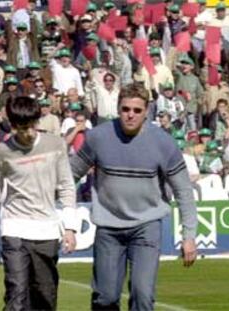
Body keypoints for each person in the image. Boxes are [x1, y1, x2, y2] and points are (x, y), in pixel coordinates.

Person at [70, 84, 197, 310]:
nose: (131, 115)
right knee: (105, 297)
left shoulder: (163, 142)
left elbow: (184, 191)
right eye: (125, 109)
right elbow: (69, 175)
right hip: (108, 227)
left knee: (143, 295)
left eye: (137, 110)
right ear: (118, 108)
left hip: (146, 226)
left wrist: (189, 235)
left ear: (147, 110)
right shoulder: (98, 137)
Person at [0, 96, 79, 311]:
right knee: (16, 294)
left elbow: (66, 186)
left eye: (32, 126)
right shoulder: (2, 151)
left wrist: (70, 228)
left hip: (47, 230)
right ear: (13, 126)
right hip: (14, 228)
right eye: (22, 128)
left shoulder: (55, 144)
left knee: (45, 295)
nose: (28, 133)